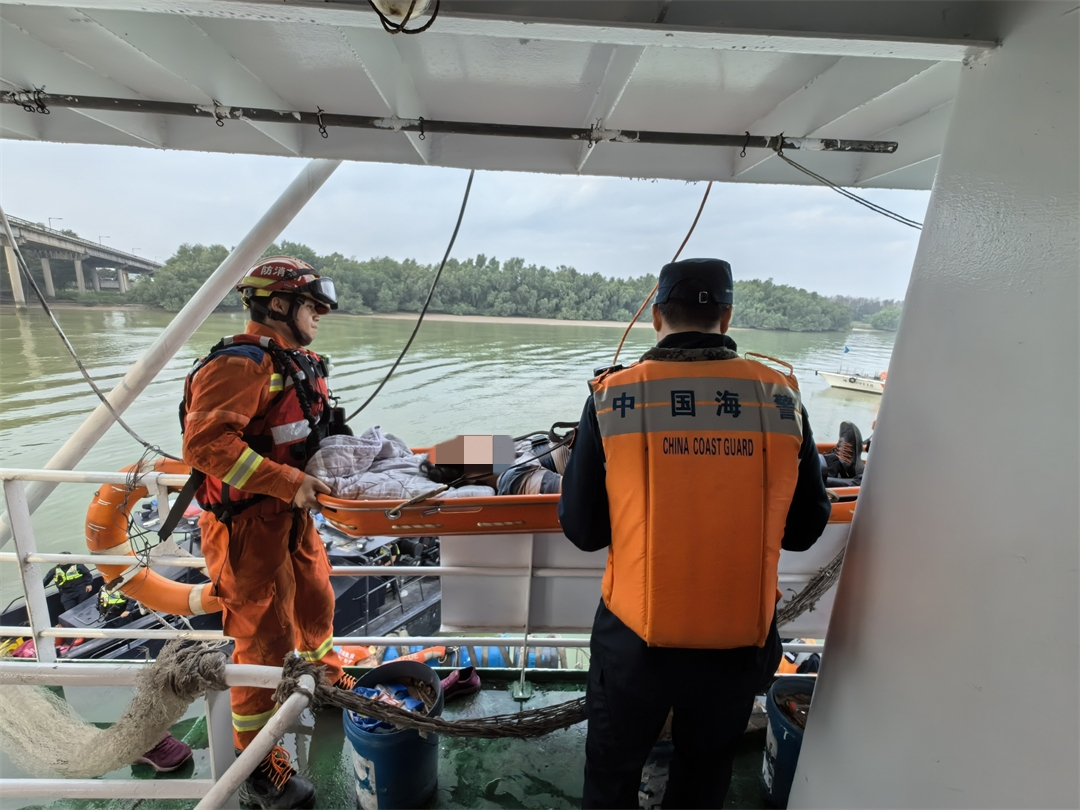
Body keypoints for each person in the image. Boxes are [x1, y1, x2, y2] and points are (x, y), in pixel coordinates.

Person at [558, 258, 832, 809]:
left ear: (657, 316)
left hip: (633, 646)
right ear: (726, 317)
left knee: (611, 777)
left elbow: (584, 531)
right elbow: (804, 530)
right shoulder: (781, 399)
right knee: (704, 780)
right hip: (738, 645)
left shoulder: (612, 398)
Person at [182, 256, 354, 810]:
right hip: (246, 529)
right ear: (278, 304)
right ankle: (257, 762)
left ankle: (327, 682)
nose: (320, 314)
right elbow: (205, 446)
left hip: (291, 518)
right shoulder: (241, 364)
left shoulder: (294, 363)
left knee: (316, 601)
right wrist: (287, 481)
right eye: (312, 305)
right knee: (262, 641)